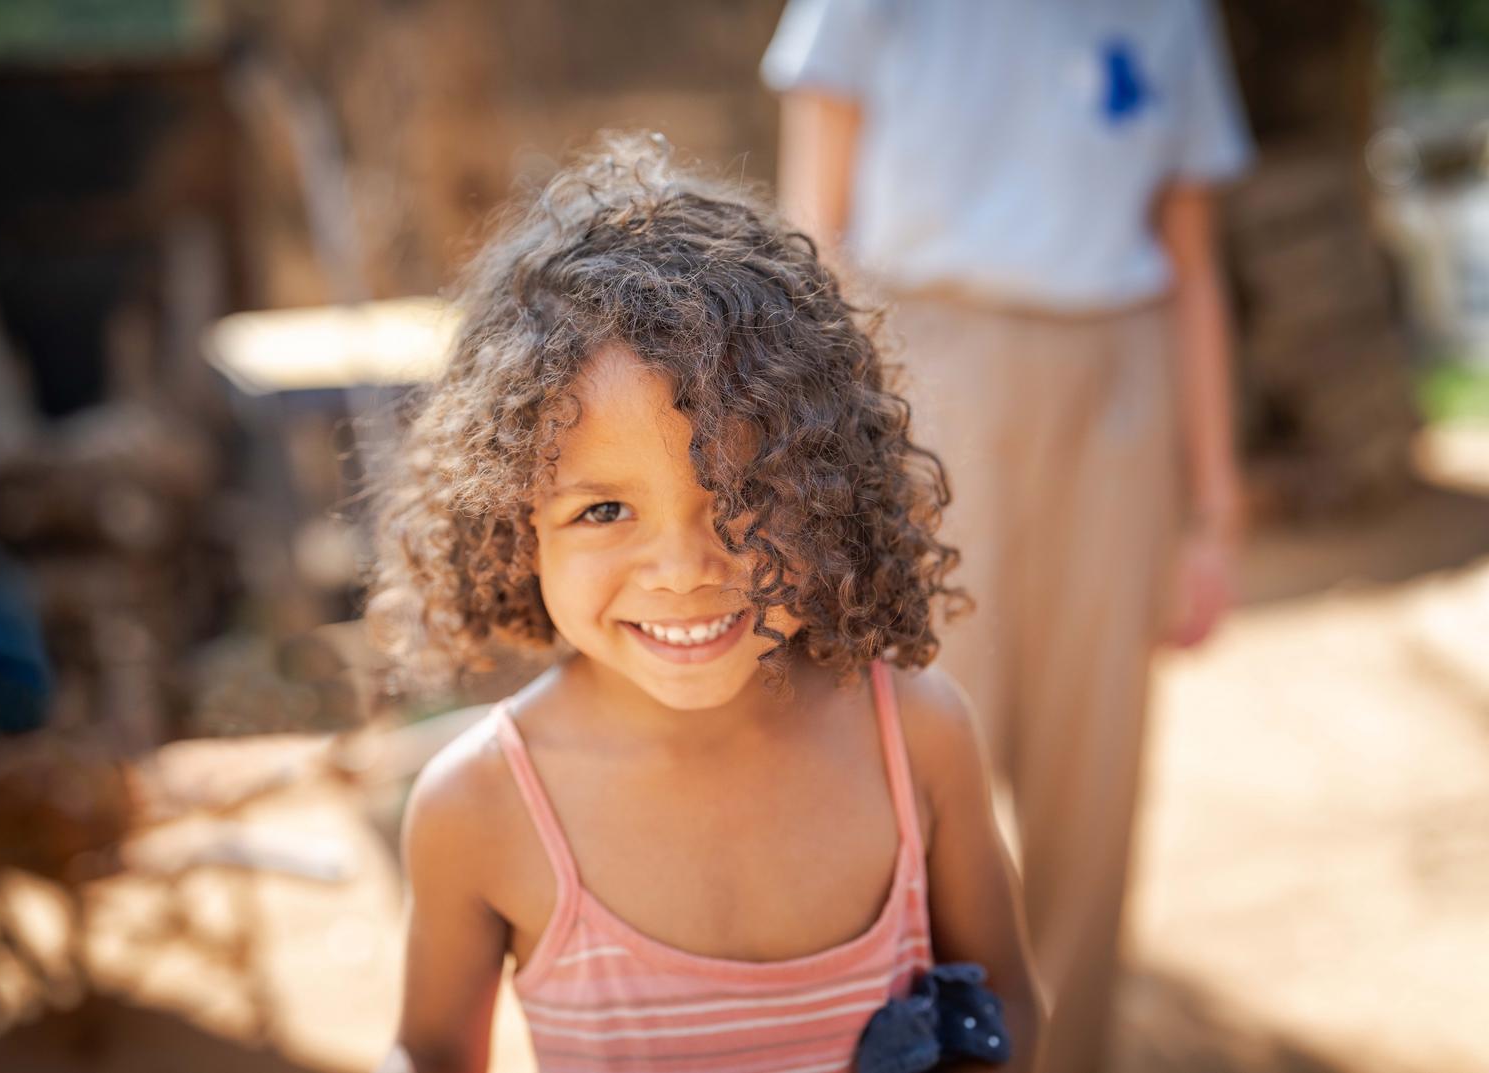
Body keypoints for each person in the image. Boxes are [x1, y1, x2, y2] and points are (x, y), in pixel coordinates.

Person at [373, 133, 1041, 1073]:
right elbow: (429, 1050)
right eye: (604, 510)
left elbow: (1008, 1004)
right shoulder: (478, 805)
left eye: (744, 495)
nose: (684, 568)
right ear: (514, 526)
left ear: (830, 490)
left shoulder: (916, 737)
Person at [764, 5, 1251, 1071]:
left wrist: (1211, 510)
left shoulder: (1170, 13)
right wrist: (817, 459)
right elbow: (812, 228)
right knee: (908, 740)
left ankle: (1072, 1049)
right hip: (919, 364)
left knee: (1096, 756)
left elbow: (1192, 261)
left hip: (1118, 373)